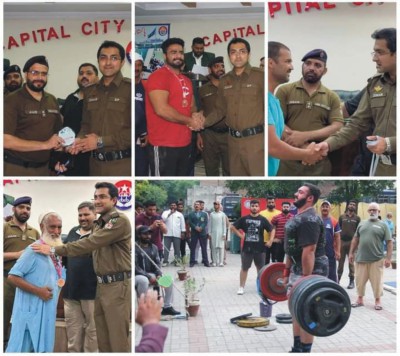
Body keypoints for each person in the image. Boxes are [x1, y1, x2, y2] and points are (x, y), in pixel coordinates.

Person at [32, 182, 131, 352]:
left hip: (116, 286)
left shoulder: (118, 221)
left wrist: (54, 249)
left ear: (114, 200)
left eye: (102, 197)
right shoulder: (99, 224)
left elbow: (90, 243)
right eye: (96, 197)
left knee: (117, 338)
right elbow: (89, 251)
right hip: (101, 286)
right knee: (103, 337)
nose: (98, 200)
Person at [320, 28, 396, 176]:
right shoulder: (375, 85)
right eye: (374, 52)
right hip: (381, 167)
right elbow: (356, 123)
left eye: (380, 52)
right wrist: (327, 144)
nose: (374, 58)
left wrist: (389, 144)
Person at [276, 48, 343, 176]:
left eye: (318, 65)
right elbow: (277, 122)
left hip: (318, 163)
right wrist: (305, 149)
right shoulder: (285, 90)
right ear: (302, 66)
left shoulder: (331, 96)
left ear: (325, 70)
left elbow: (337, 126)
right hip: (287, 162)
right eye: (308, 63)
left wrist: (305, 136)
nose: (311, 68)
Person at [70, 41, 131, 176]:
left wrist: (101, 141)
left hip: (122, 164)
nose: (108, 62)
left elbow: (135, 131)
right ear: (98, 61)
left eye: (114, 58)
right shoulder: (90, 91)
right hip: (95, 165)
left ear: (122, 62)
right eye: (103, 58)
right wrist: (79, 140)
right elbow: (86, 125)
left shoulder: (130, 89)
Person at [204, 38, 264, 176]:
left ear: (248, 54)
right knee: (236, 175)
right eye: (233, 52)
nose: (238, 55)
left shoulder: (260, 77)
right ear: (229, 56)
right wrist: (202, 123)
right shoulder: (224, 80)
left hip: (256, 141)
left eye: (242, 52)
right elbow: (220, 110)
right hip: (232, 142)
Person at [6, 212, 65, 352]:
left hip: (46, 311)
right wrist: (38, 291)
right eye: (52, 227)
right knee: (23, 348)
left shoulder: (54, 250)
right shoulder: (33, 249)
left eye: (59, 227)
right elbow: (13, 276)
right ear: (42, 226)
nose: (56, 232)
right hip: (30, 312)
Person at [146, 37, 204, 176]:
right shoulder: (158, 76)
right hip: (163, 145)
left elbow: (192, 106)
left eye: (180, 52)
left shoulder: (187, 80)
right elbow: (162, 109)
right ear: (165, 55)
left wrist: (196, 116)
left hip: (185, 143)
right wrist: (190, 121)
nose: (178, 55)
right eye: (173, 52)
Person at [267, 41, 325, 176]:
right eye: (287, 61)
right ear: (271, 63)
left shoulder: (273, 100)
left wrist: (308, 147)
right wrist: (306, 154)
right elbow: (272, 146)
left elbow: (281, 134)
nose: (291, 67)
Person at [282, 183, 327, 353]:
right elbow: (291, 248)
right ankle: (297, 348)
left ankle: (305, 351)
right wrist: (286, 272)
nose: (295, 194)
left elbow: (309, 251)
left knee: (307, 313)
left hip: (311, 271)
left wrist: (305, 283)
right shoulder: (297, 217)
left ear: (310, 198)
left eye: (300, 192)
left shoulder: (309, 219)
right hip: (297, 269)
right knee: (295, 310)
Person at [4, 55, 64, 176]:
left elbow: (56, 135)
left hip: (45, 169)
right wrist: (45, 145)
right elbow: (5, 140)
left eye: (44, 74)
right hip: (17, 168)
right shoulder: (11, 100)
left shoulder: (51, 100)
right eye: (35, 73)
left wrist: (60, 151)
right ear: (26, 74)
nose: (40, 78)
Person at [3, 196, 40, 350]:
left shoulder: (35, 232)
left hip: (28, 284)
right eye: (22, 207)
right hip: (7, 281)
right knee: (4, 318)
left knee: (25, 320)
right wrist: (16, 255)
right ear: (14, 209)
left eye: (28, 208)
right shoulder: (4, 228)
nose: (25, 211)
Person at [62, 202, 98, 352]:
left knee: (93, 330)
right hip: (71, 292)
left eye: (86, 215)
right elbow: (65, 258)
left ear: (95, 215)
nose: (82, 218)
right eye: (80, 215)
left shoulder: (100, 233)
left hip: (92, 292)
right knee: (73, 331)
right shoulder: (72, 232)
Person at [54, 63, 99, 176]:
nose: (84, 76)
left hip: (89, 154)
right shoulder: (71, 97)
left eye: (89, 73)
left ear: (97, 78)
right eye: (81, 73)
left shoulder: (100, 99)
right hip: (68, 152)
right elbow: (62, 123)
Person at [349, 202, 392, 310]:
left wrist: (388, 258)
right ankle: (360, 299)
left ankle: (378, 301)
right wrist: (351, 253)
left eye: (375, 210)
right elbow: (355, 239)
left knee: (377, 282)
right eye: (371, 210)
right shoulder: (362, 223)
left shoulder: (383, 225)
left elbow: (389, 242)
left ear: (379, 211)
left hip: (376, 259)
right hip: (361, 258)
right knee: (359, 281)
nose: (372, 211)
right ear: (368, 211)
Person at [135, 226, 180, 316]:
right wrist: (148, 277)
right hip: (137, 275)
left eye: (149, 234)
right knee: (143, 281)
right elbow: (135, 267)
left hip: (152, 274)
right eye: (145, 234)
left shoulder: (154, 247)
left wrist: (158, 274)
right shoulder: (134, 247)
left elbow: (157, 264)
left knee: (169, 280)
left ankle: (167, 307)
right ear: (139, 235)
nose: (148, 236)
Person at [230, 199, 272, 295]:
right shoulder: (244, 219)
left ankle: (261, 287)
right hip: (247, 249)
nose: (254, 207)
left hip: (260, 249)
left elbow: (271, 229)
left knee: (260, 269)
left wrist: (270, 241)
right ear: (250, 207)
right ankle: (241, 287)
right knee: (244, 268)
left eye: (256, 206)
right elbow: (232, 227)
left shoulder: (263, 219)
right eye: (252, 206)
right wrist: (240, 235)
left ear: (259, 207)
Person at [197, 56, 230, 176]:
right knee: (210, 168)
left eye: (222, 66)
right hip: (209, 134)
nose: (221, 69)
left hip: (228, 134)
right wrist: (199, 136)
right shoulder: (202, 90)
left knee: (230, 169)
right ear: (210, 70)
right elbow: (199, 112)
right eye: (217, 67)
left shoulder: (230, 87)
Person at [338, 200, 361, 289]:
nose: (352, 206)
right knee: (340, 262)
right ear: (348, 206)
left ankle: (351, 281)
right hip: (342, 242)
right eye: (351, 204)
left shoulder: (357, 218)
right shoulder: (342, 217)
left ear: (355, 208)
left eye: (354, 205)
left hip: (352, 243)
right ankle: (338, 280)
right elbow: (339, 229)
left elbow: (358, 231)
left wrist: (357, 244)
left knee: (351, 263)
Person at [135, 53, 150, 176]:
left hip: (142, 138)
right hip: (124, 139)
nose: (136, 68)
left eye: (139, 65)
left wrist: (149, 133)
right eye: (134, 65)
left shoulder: (147, 86)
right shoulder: (124, 86)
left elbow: (152, 112)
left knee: (141, 170)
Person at [320, 200, 341, 282]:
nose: (325, 208)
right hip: (318, 252)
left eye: (327, 206)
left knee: (331, 273)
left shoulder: (334, 221)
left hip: (330, 251)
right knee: (319, 272)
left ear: (330, 208)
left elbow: (337, 237)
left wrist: (338, 251)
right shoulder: (316, 219)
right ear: (320, 208)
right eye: (323, 206)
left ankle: (333, 289)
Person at [161, 201, 186, 266]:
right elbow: (163, 220)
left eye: (174, 205)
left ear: (176, 206)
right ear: (169, 206)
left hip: (177, 234)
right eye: (171, 205)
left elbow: (182, 224)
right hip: (167, 233)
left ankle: (177, 261)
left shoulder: (180, 214)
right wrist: (170, 214)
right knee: (166, 248)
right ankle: (165, 261)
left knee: (177, 249)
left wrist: (183, 232)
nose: (173, 206)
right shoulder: (165, 212)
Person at [260, 196, 281, 265]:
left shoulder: (279, 213)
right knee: (265, 261)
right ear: (266, 203)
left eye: (272, 202)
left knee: (276, 261)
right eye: (269, 202)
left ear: (275, 203)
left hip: (276, 240)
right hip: (265, 241)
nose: (271, 204)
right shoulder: (261, 213)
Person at [188, 201, 210, 267]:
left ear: (200, 206)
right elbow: (190, 222)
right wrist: (195, 227)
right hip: (194, 233)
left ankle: (206, 262)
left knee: (204, 248)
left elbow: (205, 222)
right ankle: (192, 262)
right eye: (195, 205)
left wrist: (201, 227)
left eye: (198, 205)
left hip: (202, 233)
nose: (197, 206)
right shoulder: (191, 214)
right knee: (193, 248)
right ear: (194, 206)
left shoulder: (204, 214)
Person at [209, 201, 228, 266]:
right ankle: (214, 262)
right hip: (213, 233)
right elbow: (210, 224)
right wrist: (209, 233)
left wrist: (224, 234)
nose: (216, 206)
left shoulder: (222, 214)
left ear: (219, 206)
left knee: (221, 248)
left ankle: (221, 262)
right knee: (213, 247)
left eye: (217, 204)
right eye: (215, 204)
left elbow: (224, 225)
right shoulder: (211, 214)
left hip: (221, 233)